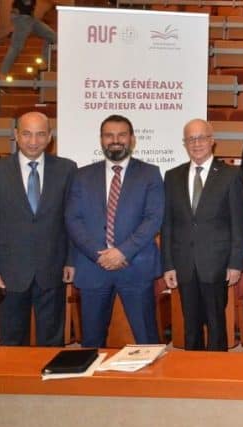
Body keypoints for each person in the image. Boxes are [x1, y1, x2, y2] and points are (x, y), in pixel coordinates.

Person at [0, 111, 76, 346]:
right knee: (12, 344)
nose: (33, 141)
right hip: (8, 274)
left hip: (52, 270)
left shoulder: (67, 169)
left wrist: (71, 260)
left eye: (40, 134)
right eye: (27, 134)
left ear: (49, 137)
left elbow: (71, 220)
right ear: (16, 135)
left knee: (52, 344)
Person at [65, 115, 163, 347]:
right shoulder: (82, 176)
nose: (115, 140)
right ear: (101, 140)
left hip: (135, 266)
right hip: (93, 267)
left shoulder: (150, 173)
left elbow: (154, 218)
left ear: (132, 139)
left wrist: (122, 252)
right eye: (109, 135)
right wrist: (98, 254)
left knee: (147, 340)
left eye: (122, 135)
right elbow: (73, 219)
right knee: (91, 341)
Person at [161, 119, 243, 351]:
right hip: (184, 264)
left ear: (212, 141)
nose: (196, 143)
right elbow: (167, 224)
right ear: (184, 143)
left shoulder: (231, 175)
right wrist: (168, 265)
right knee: (190, 327)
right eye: (191, 139)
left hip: (217, 264)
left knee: (217, 325)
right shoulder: (172, 176)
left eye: (201, 137)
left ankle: (216, 370)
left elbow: (238, 223)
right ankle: (192, 370)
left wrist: (236, 263)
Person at [0, 0, 56, 79]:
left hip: (30, 18)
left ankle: (43, 65)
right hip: (22, 17)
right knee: (16, 47)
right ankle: (3, 74)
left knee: (52, 36)